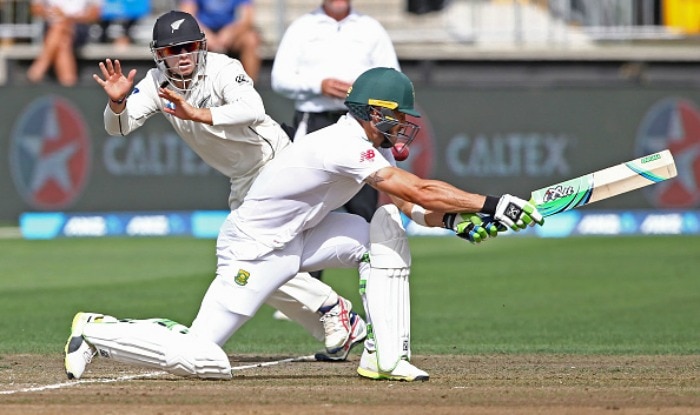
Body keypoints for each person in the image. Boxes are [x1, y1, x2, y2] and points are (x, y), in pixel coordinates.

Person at [65, 66, 544, 382]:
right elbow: (416, 188)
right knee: (203, 359)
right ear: (374, 112)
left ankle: (386, 356)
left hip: (303, 237)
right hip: (254, 250)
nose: (402, 126)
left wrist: (454, 222)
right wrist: (490, 203)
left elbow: (411, 206)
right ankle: (97, 329)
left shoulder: (364, 148)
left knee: (385, 228)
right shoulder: (342, 143)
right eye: (397, 116)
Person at [77, 10, 367, 375]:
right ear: (159, 55)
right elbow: (119, 128)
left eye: (189, 46)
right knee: (244, 262)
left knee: (243, 259)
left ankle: (331, 308)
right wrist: (117, 102)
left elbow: (252, 108)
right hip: (242, 178)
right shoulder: (154, 82)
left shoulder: (222, 67)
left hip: (274, 163)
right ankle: (333, 312)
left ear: (200, 46)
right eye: (173, 50)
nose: (182, 55)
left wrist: (197, 114)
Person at [271, 0, 400, 283]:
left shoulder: (370, 28)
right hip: (314, 119)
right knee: (308, 207)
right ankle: (308, 290)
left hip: (361, 123)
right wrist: (318, 84)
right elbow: (279, 78)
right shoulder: (303, 27)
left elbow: (392, 77)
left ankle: (379, 282)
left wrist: (365, 94)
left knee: (366, 206)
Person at [179, 0, 261, 82]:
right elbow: (187, 16)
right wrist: (204, 34)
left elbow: (247, 19)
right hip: (202, 31)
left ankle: (247, 88)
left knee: (251, 40)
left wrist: (230, 33)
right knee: (187, 41)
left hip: (230, 32)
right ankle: (189, 87)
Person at [27, 0, 102, 86]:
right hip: (52, 28)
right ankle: (68, 84)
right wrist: (53, 13)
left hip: (79, 27)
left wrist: (68, 18)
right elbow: (36, 9)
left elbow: (95, 14)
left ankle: (40, 67)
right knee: (63, 41)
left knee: (60, 29)